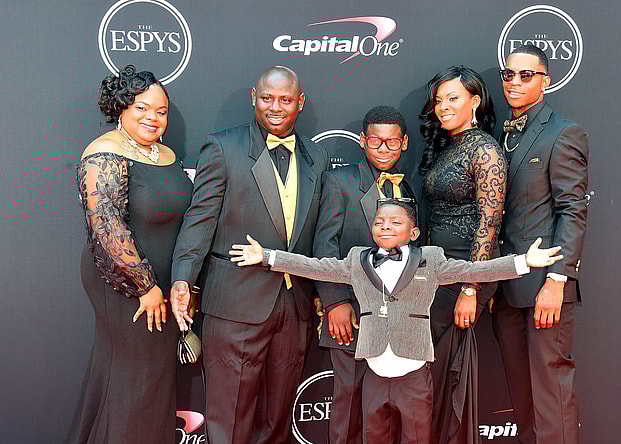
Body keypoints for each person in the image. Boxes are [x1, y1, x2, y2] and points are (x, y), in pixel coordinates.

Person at [228, 199, 563, 444]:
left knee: (417, 438)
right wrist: (268, 257)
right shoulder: (357, 260)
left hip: (414, 375)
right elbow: (316, 266)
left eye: (394, 222)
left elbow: (473, 271)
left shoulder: (430, 260)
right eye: (380, 222)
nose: (385, 226)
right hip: (374, 372)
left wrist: (522, 262)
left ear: (413, 231)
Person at [168, 66, 329, 444]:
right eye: (267, 98)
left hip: (294, 307)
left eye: (285, 100)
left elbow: (321, 236)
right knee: (230, 422)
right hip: (235, 306)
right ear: (253, 99)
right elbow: (199, 221)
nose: (276, 107)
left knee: (277, 421)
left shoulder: (317, 157)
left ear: (300, 103)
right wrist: (182, 279)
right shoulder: (223, 148)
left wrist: (327, 294)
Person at [67, 65, 193, 443]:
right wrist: (145, 287)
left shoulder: (165, 154)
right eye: (141, 108)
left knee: (144, 378)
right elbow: (106, 229)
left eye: (161, 111)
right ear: (120, 108)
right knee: (137, 378)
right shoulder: (104, 153)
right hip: (125, 287)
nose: (152, 118)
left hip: (164, 285)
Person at [491, 44, 589, 444]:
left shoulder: (564, 133)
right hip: (506, 290)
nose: (514, 82)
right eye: (508, 74)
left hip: (545, 290)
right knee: (522, 399)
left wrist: (557, 280)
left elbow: (573, 211)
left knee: (552, 394)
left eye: (525, 75)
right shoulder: (498, 135)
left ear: (545, 80)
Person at [312, 105, 417, 444]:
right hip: (353, 314)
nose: (383, 149)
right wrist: (334, 302)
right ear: (362, 141)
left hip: (398, 321)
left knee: (385, 410)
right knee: (349, 402)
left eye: (391, 142)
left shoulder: (411, 189)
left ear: (403, 144)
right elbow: (324, 244)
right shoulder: (340, 180)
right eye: (375, 141)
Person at [419, 65, 506, 443]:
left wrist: (471, 287)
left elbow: (489, 222)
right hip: (436, 273)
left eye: (452, 98)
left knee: (444, 374)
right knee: (430, 373)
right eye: (438, 100)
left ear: (474, 101)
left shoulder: (485, 150)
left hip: (462, 275)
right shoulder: (450, 145)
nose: (442, 107)